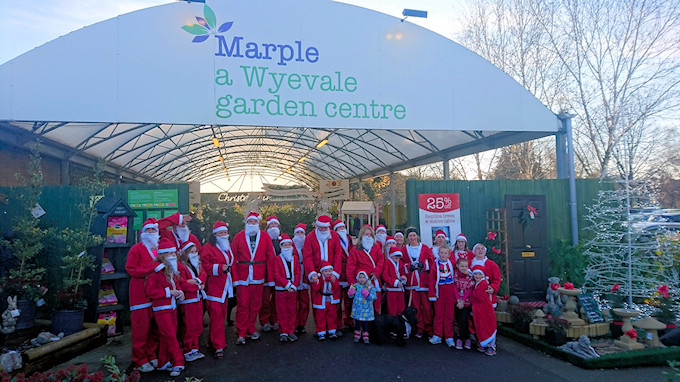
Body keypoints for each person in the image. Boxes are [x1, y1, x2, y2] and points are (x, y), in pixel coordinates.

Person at [231, 211, 276, 345]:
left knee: (256, 305)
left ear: (258, 223)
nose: (252, 224)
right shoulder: (238, 237)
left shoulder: (265, 237)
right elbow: (232, 258)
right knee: (243, 305)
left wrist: (271, 278)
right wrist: (235, 278)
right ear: (246, 223)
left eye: (254, 222)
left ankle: (251, 327)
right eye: (250, 222)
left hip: (258, 275)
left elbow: (271, 258)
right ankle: (241, 331)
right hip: (243, 275)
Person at [145, 238, 185, 377]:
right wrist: (169, 293)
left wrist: (180, 292)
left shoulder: (171, 271)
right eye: (170, 254)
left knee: (168, 335)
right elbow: (150, 291)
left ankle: (163, 362)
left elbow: (176, 285)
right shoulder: (156, 272)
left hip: (171, 307)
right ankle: (178, 362)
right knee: (170, 335)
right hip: (161, 309)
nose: (173, 256)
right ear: (163, 256)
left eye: (174, 253)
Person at [125, 218, 161, 373]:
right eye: (148, 230)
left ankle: (151, 353)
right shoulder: (136, 249)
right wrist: (153, 268)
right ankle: (139, 359)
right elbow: (131, 270)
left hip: (157, 295)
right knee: (141, 329)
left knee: (155, 327)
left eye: (154, 230)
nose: (151, 233)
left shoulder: (161, 249)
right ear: (142, 233)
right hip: (140, 295)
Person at [303, 215, 343, 334]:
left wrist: (336, 272)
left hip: (331, 273)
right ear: (317, 226)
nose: (322, 230)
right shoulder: (310, 237)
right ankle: (320, 328)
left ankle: (334, 327)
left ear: (328, 227)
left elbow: (338, 254)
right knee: (317, 301)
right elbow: (307, 256)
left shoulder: (334, 236)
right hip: (317, 274)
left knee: (334, 300)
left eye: (324, 228)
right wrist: (311, 273)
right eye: (320, 227)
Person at [200, 221, 234, 358]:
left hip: (224, 286)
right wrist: (220, 268)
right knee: (217, 317)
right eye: (221, 233)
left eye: (225, 232)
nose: (224, 235)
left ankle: (212, 341)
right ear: (215, 234)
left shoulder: (227, 247)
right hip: (213, 287)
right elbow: (204, 266)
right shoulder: (208, 248)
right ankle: (218, 346)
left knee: (221, 315)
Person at [402, 227, 434, 338]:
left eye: (414, 235)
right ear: (407, 238)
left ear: (417, 236)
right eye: (410, 236)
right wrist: (408, 267)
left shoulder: (425, 248)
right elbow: (401, 264)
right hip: (412, 283)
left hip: (423, 282)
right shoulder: (404, 249)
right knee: (416, 308)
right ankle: (419, 328)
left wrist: (423, 265)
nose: (412, 238)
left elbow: (431, 262)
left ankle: (429, 329)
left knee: (427, 307)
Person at [177, 241, 207, 362]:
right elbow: (183, 283)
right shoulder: (180, 266)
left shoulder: (198, 264)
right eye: (191, 252)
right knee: (188, 325)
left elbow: (203, 276)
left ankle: (195, 348)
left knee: (197, 324)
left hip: (197, 298)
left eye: (196, 252)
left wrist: (194, 281)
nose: (194, 254)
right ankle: (187, 349)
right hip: (188, 301)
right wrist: (199, 285)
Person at [347, 224, 384, 314]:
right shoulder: (355, 250)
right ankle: (362, 326)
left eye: (370, 234)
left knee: (376, 303)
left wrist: (376, 273)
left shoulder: (376, 247)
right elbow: (350, 267)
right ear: (361, 235)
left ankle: (375, 325)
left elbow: (381, 261)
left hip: (374, 278)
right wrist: (353, 283)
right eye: (366, 234)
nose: (368, 236)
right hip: (361, 281)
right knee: (362, 306)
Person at [274, 234, 301, 342]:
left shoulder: (295, 258)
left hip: (293, 288)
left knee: (292, 310)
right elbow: (276, 274)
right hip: (281, 288)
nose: (287, 247)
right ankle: (284, 331)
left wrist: (294, 285)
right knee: (282, 311)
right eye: (285, 245)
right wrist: (287, 284)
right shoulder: (277, 259)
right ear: (281, 246)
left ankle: (291, 330)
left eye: (289, 245)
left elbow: (298, 272)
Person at [428, 245, 456, 347]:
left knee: (449, 314)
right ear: (438, 254)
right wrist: (432, 294)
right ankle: (437, 335)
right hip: (439, 290)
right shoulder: (435, 265)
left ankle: (449, 337)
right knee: (439, 314)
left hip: (449, 290)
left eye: (445, 253)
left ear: (449, 255)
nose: (443, 255)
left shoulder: (452, 264)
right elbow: (431, 280)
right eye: (442, 253)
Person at [260, 215, 281, 332]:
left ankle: (275, 319)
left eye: (275, 225)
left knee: (276, 298)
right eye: (271, 225)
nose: (273, 227)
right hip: (266, 273)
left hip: (278, 273)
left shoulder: (283, 240)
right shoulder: (262, 239)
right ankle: (264, 320)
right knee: (265, 299)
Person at [470, 265, 497, 356]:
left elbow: (477, 296)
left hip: (485, 308)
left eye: (479, 274)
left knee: (487, 325)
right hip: (479, 309)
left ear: (483, 275)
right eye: (475, 274)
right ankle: (484, 343)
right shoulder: (477, 283)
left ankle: (491, 346)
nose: (477, 276)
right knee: (481, 325)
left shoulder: (483, 284)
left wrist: (471, 294)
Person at [311, 262, 341, 340]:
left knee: (332, 316)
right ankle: (321, 332)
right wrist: (316, 282)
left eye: (329, 271)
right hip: (322, 300)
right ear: (322, 272)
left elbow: (335, 287)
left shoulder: (333, 278)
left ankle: (332, 331)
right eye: (326, 271)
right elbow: (316, 289)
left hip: (331, 300)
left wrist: (333, 281)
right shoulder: (320, 279)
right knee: (320, 317)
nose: (328, 273)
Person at [334, 219, 354, 331]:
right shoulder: (334, 239)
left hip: (348, 271)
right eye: (339, 228)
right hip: (339, 270)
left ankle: (348, 318)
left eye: (342, 227)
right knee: (337, 299)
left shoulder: (349, 238)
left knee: (349, 298)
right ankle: (338, 322)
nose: (341, 230)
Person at [348, 270, 377, 344]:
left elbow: (374, 297)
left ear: (366, 278)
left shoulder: (370, 286)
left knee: (365, 323)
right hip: (357, 309)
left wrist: (367, 294)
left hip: (366, 309)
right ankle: (357, 335)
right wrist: (351, 292)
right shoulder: (355, 286)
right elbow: (351, 296)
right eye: (360, 277)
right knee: (357, 322)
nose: (362, 279)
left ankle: (365, 336)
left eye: (363, 277)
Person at [471, 244, 502, 308]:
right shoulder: (469, 263)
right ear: (474, 251)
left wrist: (493, 288)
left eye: (482, 248)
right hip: (472, 294)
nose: (480, 250)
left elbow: (497, 279)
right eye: (478, 248)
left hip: (486, 293)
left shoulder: (492, 265)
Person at [453, 257, 474, 350]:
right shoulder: (455, 275)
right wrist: (458, 299)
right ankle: (462, 336)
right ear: (457, 266)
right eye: (462, 266)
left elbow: (469, 289)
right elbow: (454, 287)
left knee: (465, 319)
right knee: (459, 320)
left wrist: (463, 300)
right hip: (457, 301)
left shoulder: (469, 276)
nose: (464, 268)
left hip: (466, 302)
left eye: (466, 266)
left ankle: (463, 338)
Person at [292, 223, 310, 333]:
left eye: (302, 233)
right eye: (298, 233)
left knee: (304, 302)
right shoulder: (290, 244)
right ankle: (294, 323)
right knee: (293, 302)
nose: (300, 235)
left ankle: (302, 323)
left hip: (305, 274)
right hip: (294, 274)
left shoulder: (307, 244)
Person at [382, 247, 407, 316]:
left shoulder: (401, 263)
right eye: (396, 255)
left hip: (400, 289)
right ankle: (393, 324)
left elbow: (403, 273)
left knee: (401, 308)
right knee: (392, 309)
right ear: (391, 255)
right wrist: (395, 282)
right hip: (391, 289)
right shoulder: (387, 262)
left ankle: (401, 324)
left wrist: (404, 277)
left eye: (399, 256)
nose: (397, 257)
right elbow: (385, 275)